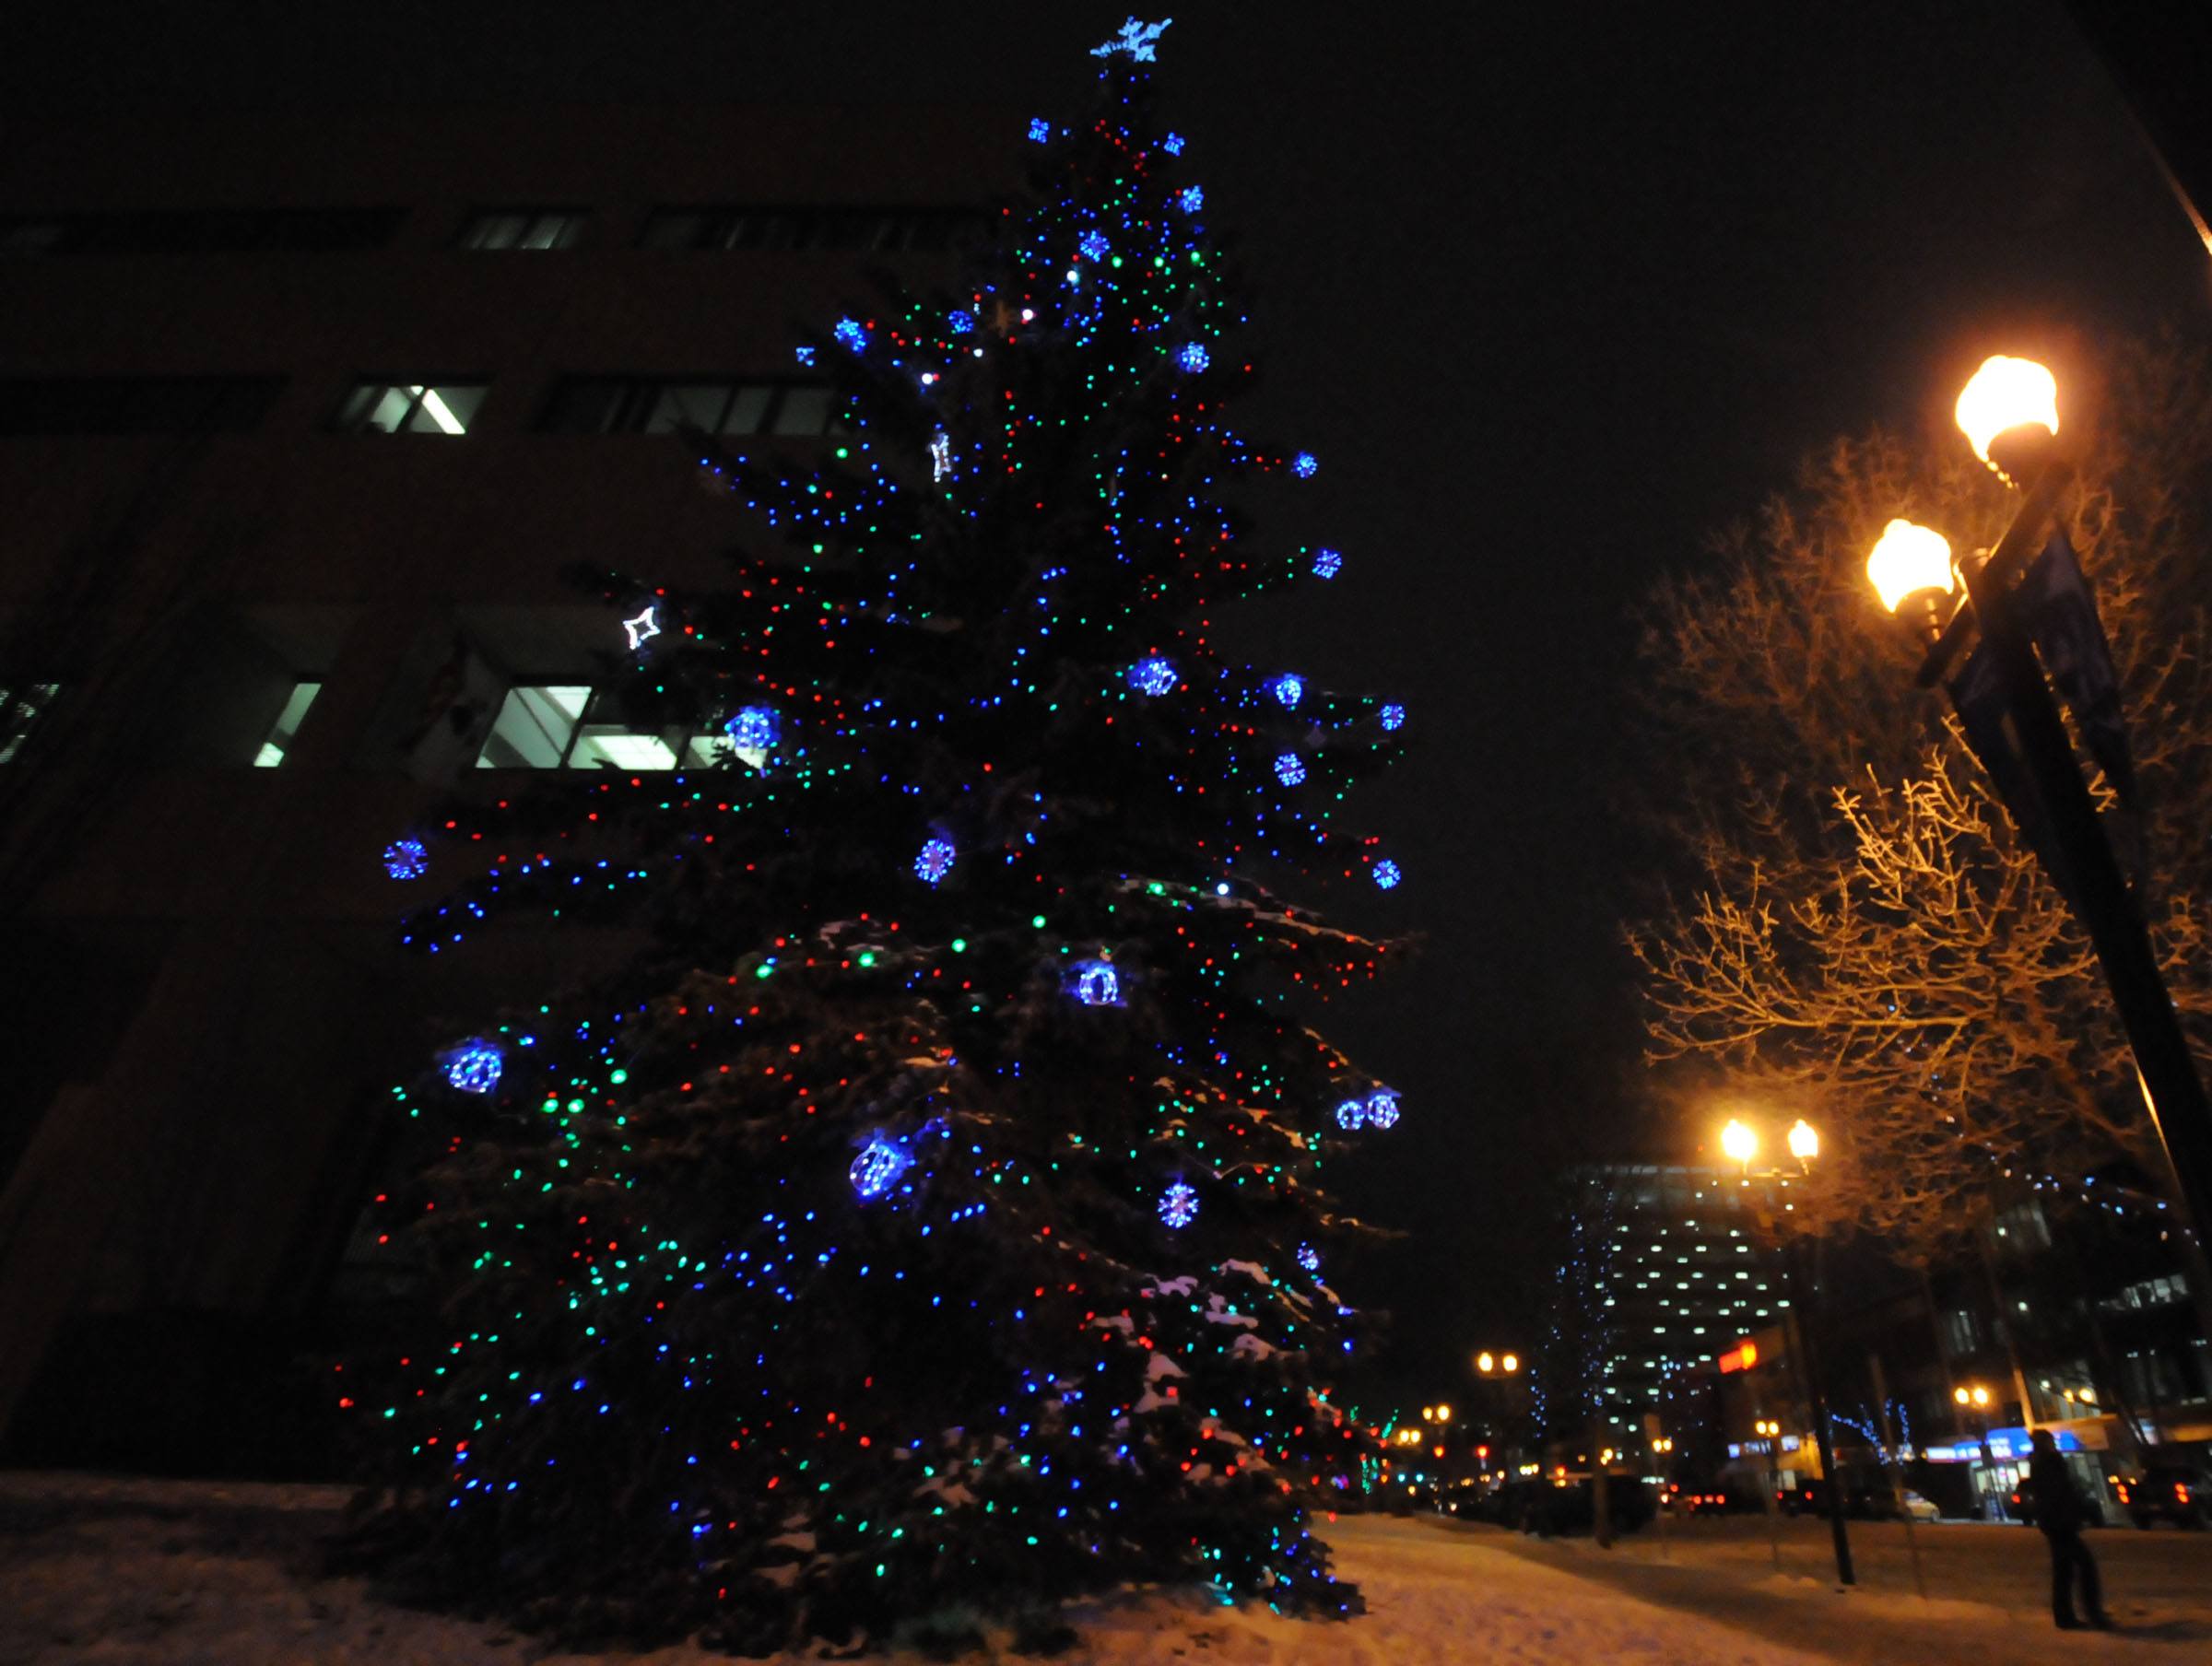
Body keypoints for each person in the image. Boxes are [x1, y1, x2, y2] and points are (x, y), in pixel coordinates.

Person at [2028, 1428, 2110, 1630]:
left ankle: (2065, 1616)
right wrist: (2073, 1514)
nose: (2053, 1443)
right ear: (2045, 1442)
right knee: (2084, 1564)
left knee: (2064, 1570)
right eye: (2050, 1441)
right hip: (2060, 1523)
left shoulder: (2041, 1463)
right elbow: (2060, 1493)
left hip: (2054, 1523)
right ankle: (2091, 1612)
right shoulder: (2049, 1463)